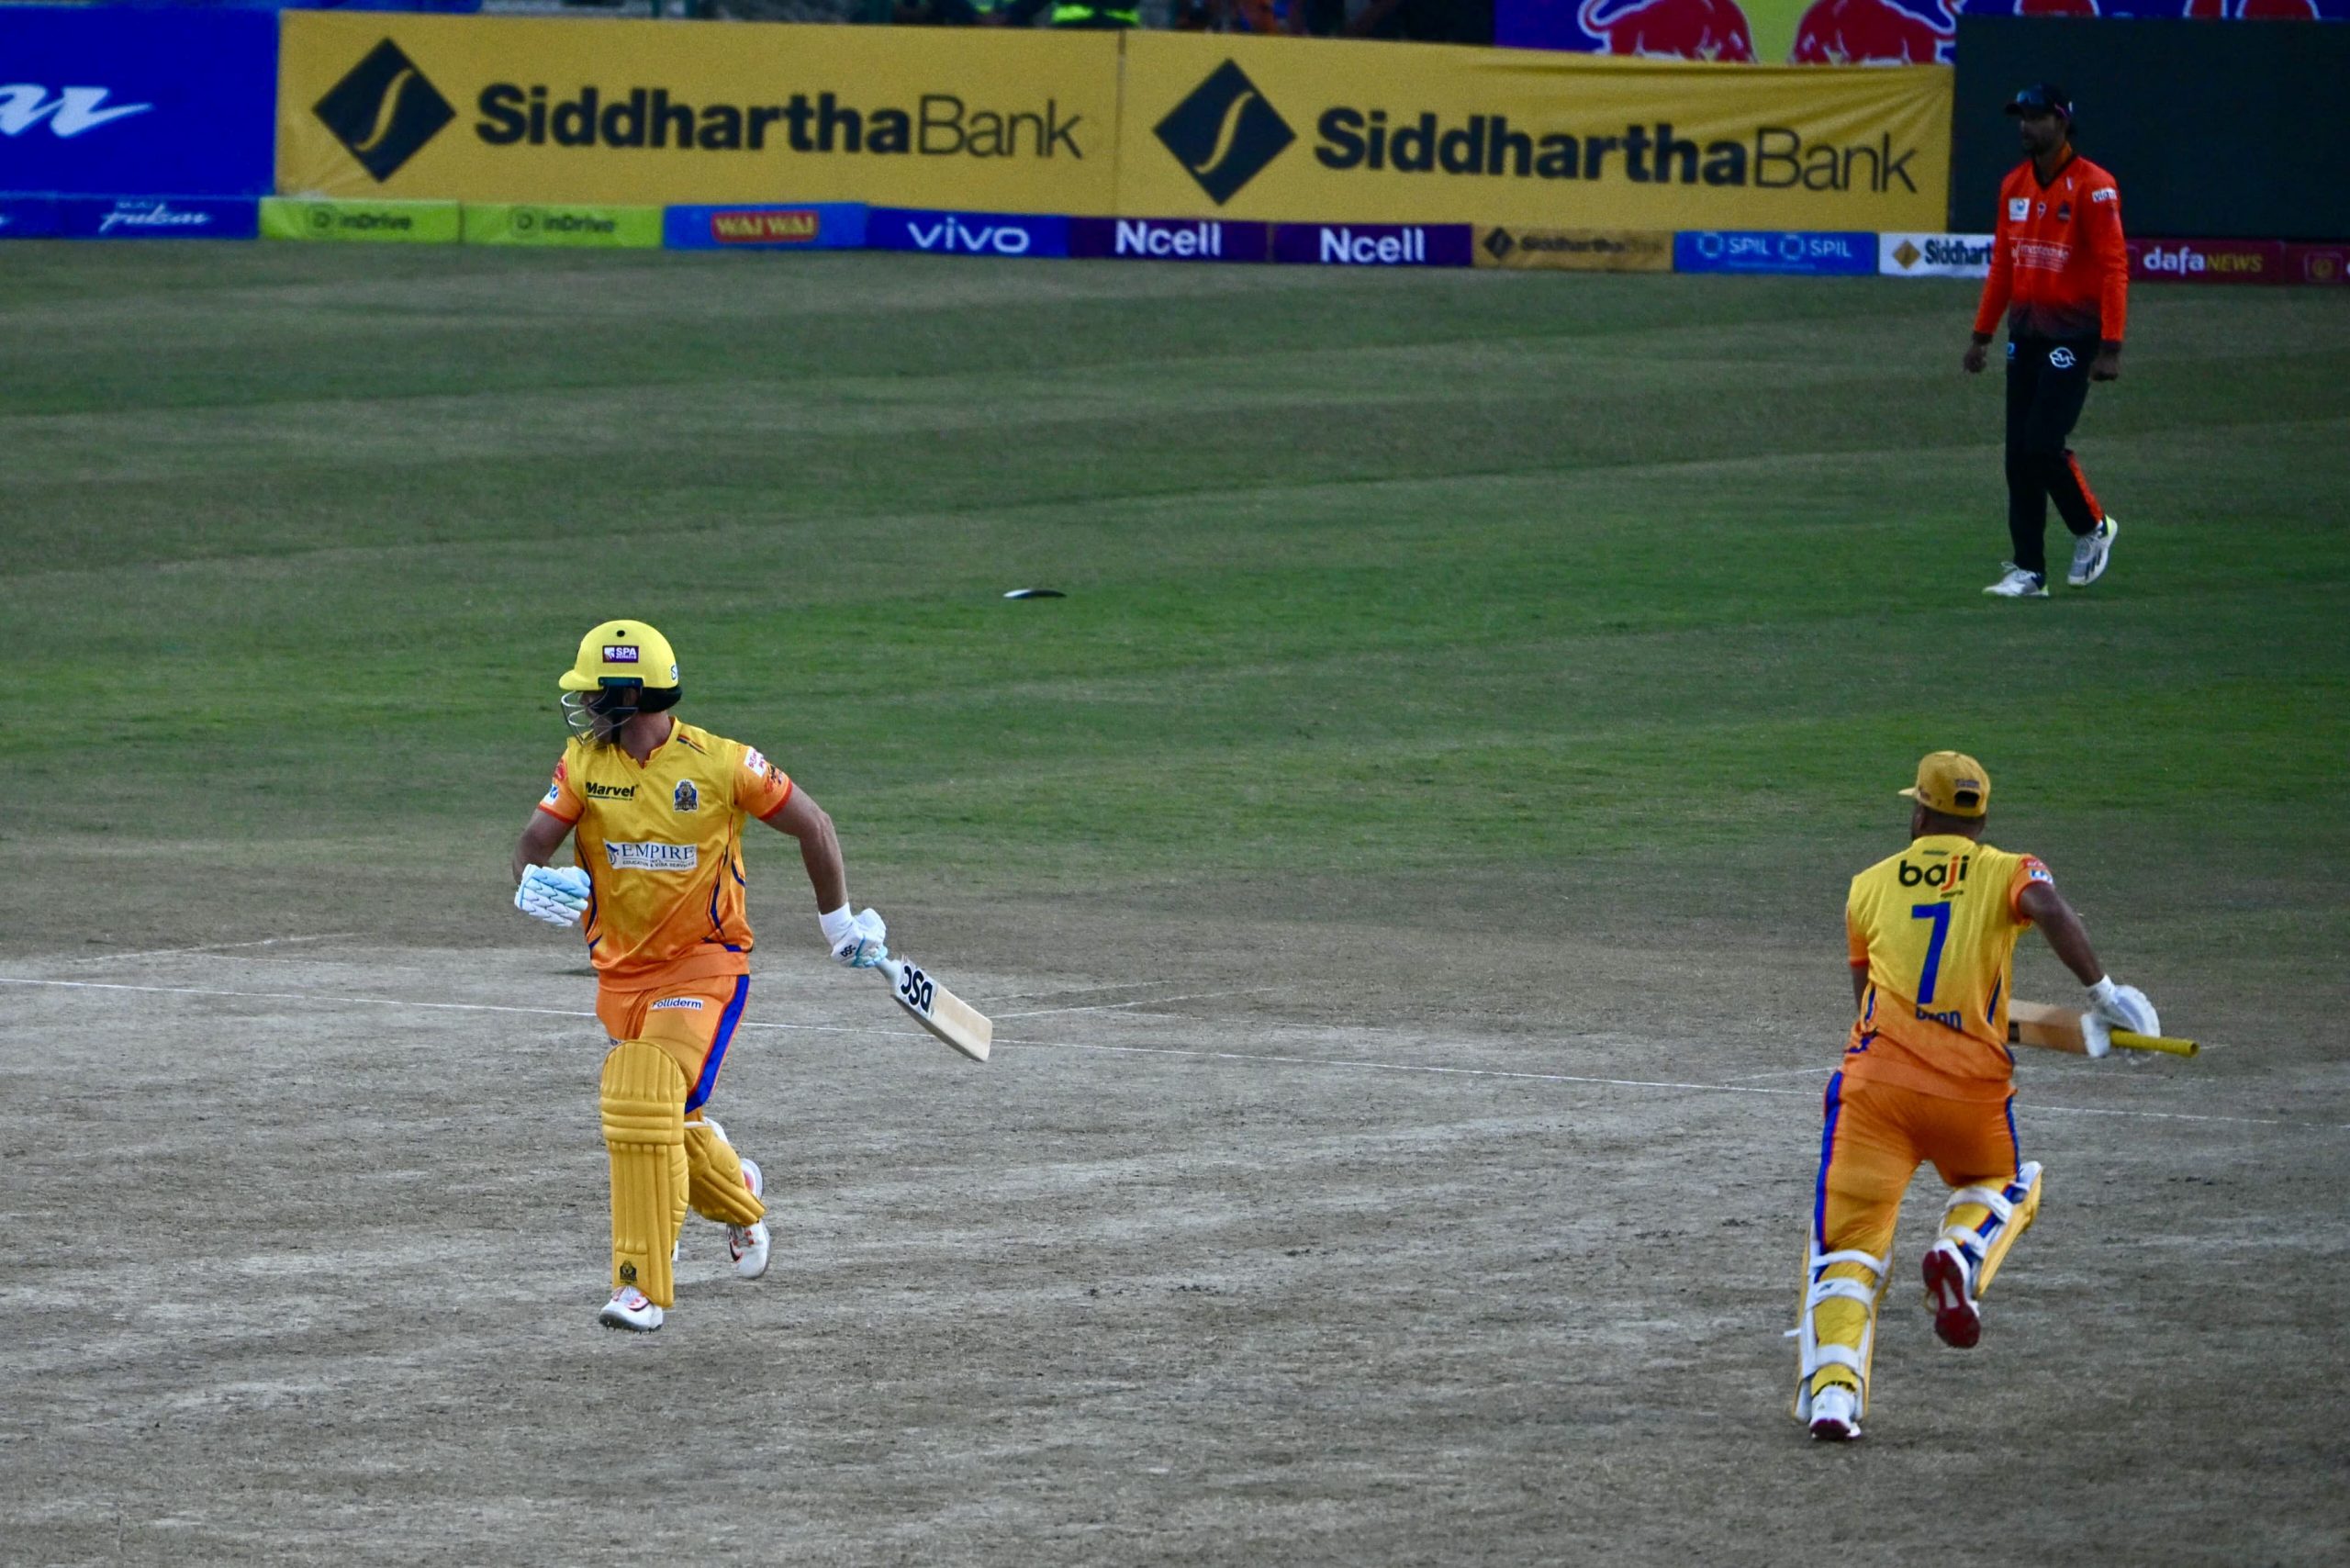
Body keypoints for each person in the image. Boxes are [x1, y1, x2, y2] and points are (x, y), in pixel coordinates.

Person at [510, 620, 890, 1333]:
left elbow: (814, 824)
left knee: (639, 1093)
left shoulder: (722, 763)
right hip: (620, 977)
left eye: (593, 693)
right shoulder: (583, 764)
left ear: (629, 695)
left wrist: (840, 927)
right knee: (669, 1120)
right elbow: (533, 842)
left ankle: (639, 1286)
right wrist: (532, 879)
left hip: (705, 966)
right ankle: (738, 1192)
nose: (584, 705)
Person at [1792, 751, 2160, 1440]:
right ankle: (1961, 1252)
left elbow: (1870, 1003)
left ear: (1918, 813)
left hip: (1874, 1093)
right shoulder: (2008, 869)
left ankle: (1835, 1398)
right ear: (1982, 820)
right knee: (2008, 1181)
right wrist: (2103, 998)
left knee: (1846, 1250)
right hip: (1969, 1097)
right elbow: (2047, 906)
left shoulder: (1866, 887)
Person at [1966, 84, 2130, 601]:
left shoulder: (2095, 186)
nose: (2026, 126)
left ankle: (2093, 526)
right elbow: (2004, 264)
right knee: (2018, 456)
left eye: (2036, 117)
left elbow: (2114, 267)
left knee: (2041, 444)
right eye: (2021, 117)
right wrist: (1982, 335)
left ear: (2061, 122)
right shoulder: (2013, 185)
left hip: (2074, 335)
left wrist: (2111, 345)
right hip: (2026, 334)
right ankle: (2029, 572)